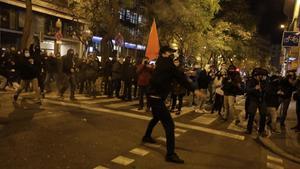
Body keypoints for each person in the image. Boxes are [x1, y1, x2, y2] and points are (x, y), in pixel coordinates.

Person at [142, 46, 203, 164]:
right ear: (164, 53)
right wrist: (194, 90)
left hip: (153, 95)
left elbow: (176, 76)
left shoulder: (160, 62)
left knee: (156, 117)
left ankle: (147, 136)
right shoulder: (167, 64)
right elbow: (180, 78)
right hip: (157, 97)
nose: (172, 55)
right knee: (170, 125)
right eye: (170, 52)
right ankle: (170, 154)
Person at [245, 68, 268, 137]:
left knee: (263, 115)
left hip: (262, 100)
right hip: (253, 100)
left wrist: (263, 89)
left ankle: (261, 130)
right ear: (256, 75)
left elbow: (267, 89)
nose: (262, 77)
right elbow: (247, 90)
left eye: (262, 75)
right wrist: (254, 88)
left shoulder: (264, 81)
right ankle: (249, 129)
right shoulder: (251, 81)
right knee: (251, 115)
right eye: (260, 75)